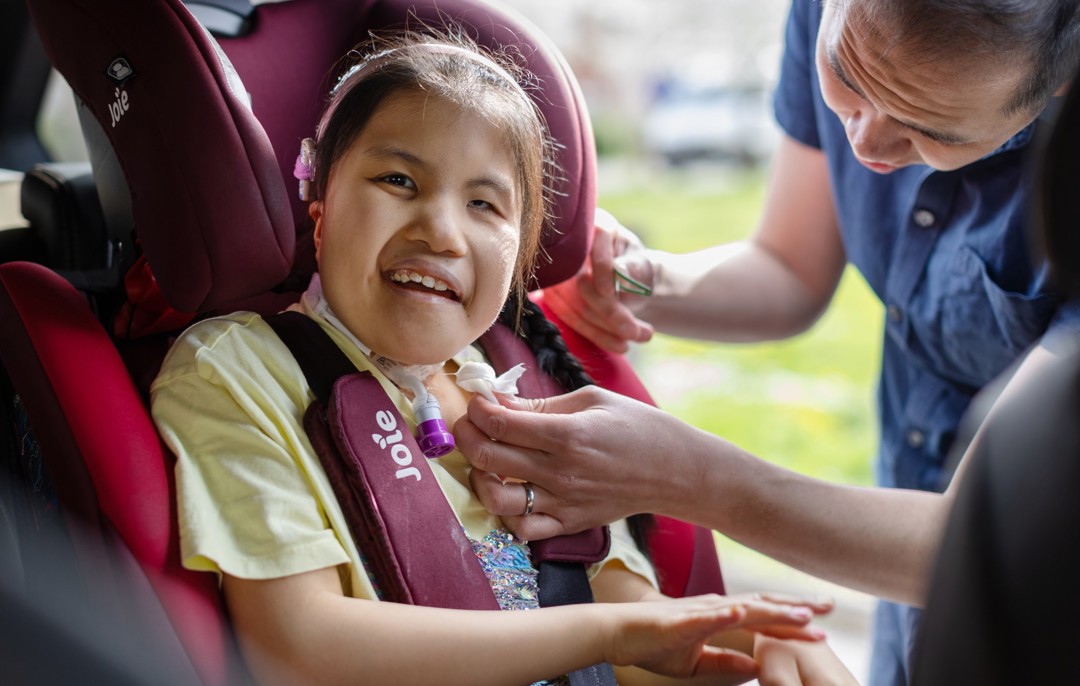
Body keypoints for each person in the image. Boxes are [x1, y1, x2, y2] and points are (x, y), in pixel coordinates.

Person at [150, 31, 856, 686]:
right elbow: (295, 646)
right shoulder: (239, 373)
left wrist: (753, 641)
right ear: (320, 202)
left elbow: (634, 624)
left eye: (485, 205)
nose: (442, 231)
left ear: (519, 257)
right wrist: (608, 633)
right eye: (398, 180)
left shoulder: (535, 387)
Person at [454, 1, 1080, 684]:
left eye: (931, 132)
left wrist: (689, 479)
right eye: (845, 72)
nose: (866, 144)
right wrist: (634, 280)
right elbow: (789, 266)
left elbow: (978, 539)